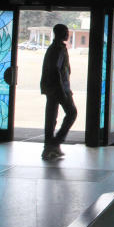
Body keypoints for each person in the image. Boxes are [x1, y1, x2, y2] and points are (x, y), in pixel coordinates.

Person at [40, 24, 77, 160]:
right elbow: (55, 70)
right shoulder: (58, 49)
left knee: (51, 118)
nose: (68, 34)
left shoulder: (55, 47)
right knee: (72, 113)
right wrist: (63, 90)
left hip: (52, 88)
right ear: (61, 33)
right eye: (66, 32)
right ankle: (55, 143)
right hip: (59, 88)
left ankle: (49, 147)